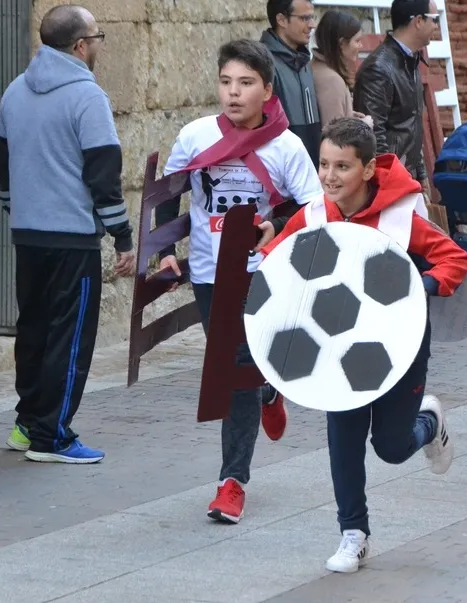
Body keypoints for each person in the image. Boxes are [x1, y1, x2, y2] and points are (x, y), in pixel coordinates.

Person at [262, 117, 467, 573]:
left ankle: (429, 423)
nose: (330, 176)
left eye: (343, 166)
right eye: (323, 164)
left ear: (369, 168)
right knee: (344, 440)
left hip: (400, 347)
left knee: (392, 448)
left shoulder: (400, 217)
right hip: (337, 352)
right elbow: (276, 261)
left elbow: (454, 257)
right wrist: (262, 245)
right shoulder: (314, 214)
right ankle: (353, 534)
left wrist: (421, 283)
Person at [154, 40, 324, 523]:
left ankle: (232, 482)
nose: (233, 93)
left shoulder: (285, 146)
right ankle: (269, 391)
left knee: (236, 370)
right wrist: (166, 254)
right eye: (226, 82)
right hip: (211, 274)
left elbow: (311, 207)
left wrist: (278, 225)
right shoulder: (195, 135)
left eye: (246, 83)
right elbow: (170, 197)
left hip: (264, 274)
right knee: (237, 368)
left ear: (267, 90)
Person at [0, 5, 135, 463]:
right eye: (97, 37)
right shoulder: (86, 96)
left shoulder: (14, 91)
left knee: (33, 330)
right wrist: (122, 236)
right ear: (80, 46)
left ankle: (27, 423)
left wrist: (19, 212)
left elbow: (3, 167)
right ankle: (52, 437)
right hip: (72, 238)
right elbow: (103, 174)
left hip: (28, 235)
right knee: (69, 336)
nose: (98, 45)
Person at [354, 0, 439, 199]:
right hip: (388, 183)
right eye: (434, 20)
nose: (436, 26)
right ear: (418, 21)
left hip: (406, 176)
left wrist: (421, 173)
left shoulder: (411, 60)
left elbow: (411, 123)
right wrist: (394, 181)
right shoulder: (379, 68)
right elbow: (373, 133)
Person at [261, 0, 323, 170]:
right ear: (281, 20)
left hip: (311, 172)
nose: (312, 25)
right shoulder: (263, 63)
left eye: (312, 17)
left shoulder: (303, 61)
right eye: (304, 18)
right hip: (282, 173)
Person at [311, 10, 372, 128]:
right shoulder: (331, 80)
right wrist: (363, 125)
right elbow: (335, 135)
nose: (361, 46)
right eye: (357, 41)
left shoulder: (316, 67)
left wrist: (349, 115)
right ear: (342, 43)